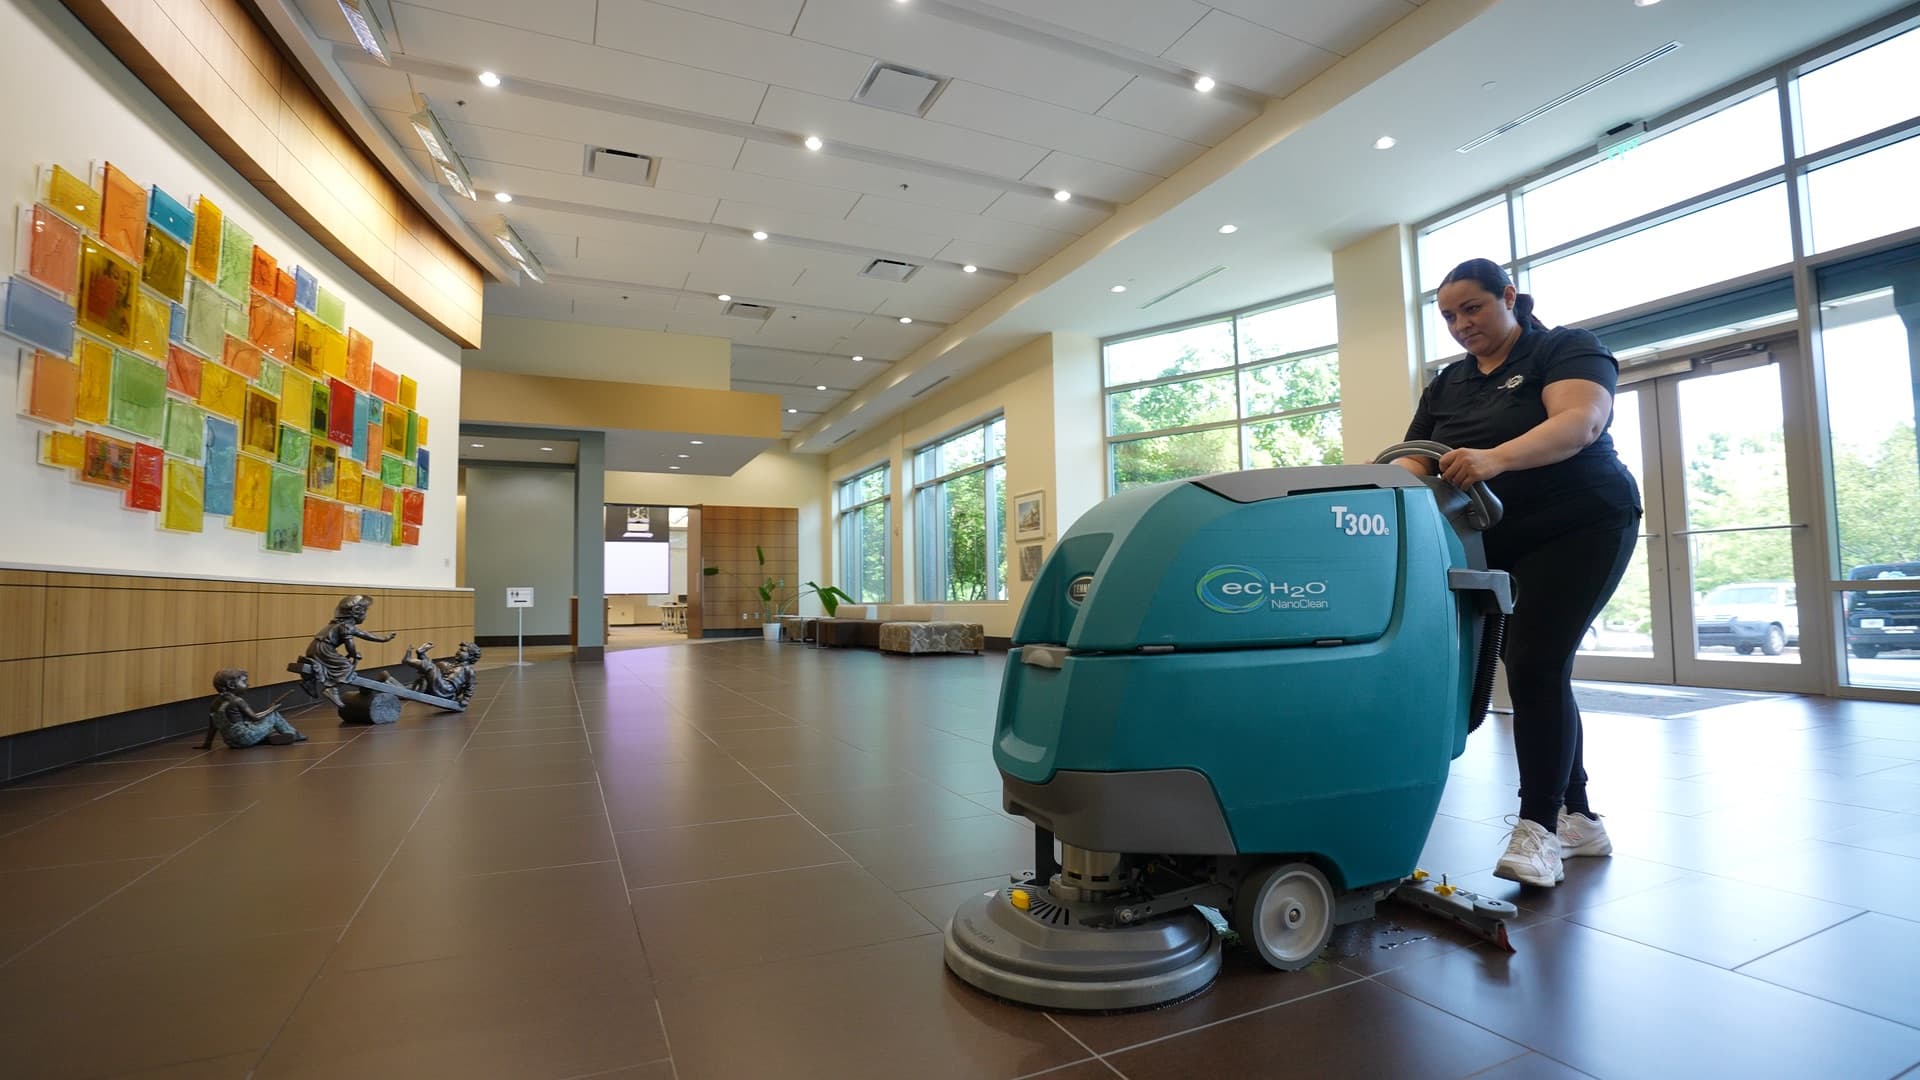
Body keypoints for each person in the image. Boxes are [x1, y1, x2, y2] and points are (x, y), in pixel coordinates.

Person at [1396, 258, 1641, 888]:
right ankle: (1579, 816)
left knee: (1532, 661)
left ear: (1509, 296)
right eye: (1449, 315)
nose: (1460, 324)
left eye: (1472, 307)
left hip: (1583, 524)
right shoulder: (1448, 384)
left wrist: (1494, 457)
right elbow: (1410, 464)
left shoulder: (1564, 348)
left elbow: (1580, 422)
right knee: (1540, 669)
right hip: (1495, 538)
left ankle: (1539, 832)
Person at [202, 669, 306, 749]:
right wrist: (272, 709)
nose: (247, 684)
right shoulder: (238, 701)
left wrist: (207, 744)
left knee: (255, 724)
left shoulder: (215, 703)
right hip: (245, 738)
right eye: (244, 681)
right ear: (231, 685)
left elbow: (213, 726)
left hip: (231, 742)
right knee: (273, 716)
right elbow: (255, 717)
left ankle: (268, 738)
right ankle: (293, 734)